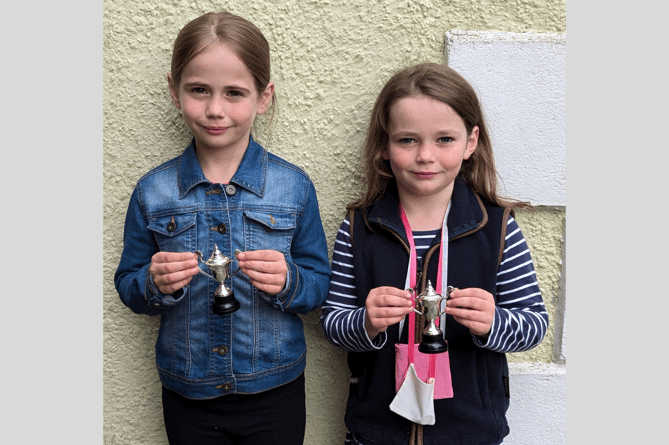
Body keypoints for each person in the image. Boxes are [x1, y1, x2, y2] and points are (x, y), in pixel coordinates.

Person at [114, 11, 331, 445]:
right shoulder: (153, 191)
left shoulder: (293, 187)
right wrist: (154, 283)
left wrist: (290, 281)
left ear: (263, 96)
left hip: (275, 388)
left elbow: (320, 284)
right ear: (174, 91)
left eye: (234, 93)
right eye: (199, 91)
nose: (215, 109)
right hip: (187, 390)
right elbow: (128, 283)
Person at [320, 63, 548, 445]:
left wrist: (493, 323)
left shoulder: (497, 227)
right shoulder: (360, 226)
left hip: (470, 432)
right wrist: (367, 322)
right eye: (407, 140)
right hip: (376, 432)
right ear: (384, 144)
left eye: (444, 139)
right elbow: (332, 324)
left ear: (471, 142)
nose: (426, 155)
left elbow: (533, 325)